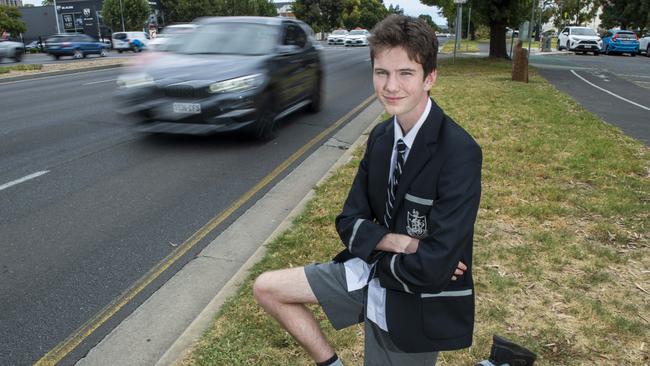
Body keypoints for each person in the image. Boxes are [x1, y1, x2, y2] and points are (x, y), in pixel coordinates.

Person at [253, 14, 482, 366]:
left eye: (406, 73)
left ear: (430, 77)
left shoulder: (459, 151)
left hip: (413, 300)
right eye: (381, 73)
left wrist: (375, 251)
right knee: (267, 288)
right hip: (371, 271)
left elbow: (435, 268)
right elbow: (347, 221)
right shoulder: (380, 138)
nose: (391, 86)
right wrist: (398, 242)